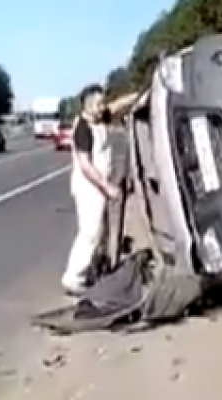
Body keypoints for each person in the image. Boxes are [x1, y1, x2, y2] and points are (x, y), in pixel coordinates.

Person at [62, 84, 138, 295]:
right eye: (98, 104)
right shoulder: (82, 128)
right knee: (90, 232)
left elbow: (116, 106)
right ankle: (73, 277)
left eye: (102, 103)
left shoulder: (98, 118)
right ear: (87, 106)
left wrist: (140, 93)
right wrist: (107, 187)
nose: (102, 107)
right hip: (89, 186)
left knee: (100, 232)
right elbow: (85, 165)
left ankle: (92, 271)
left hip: (99, 185)